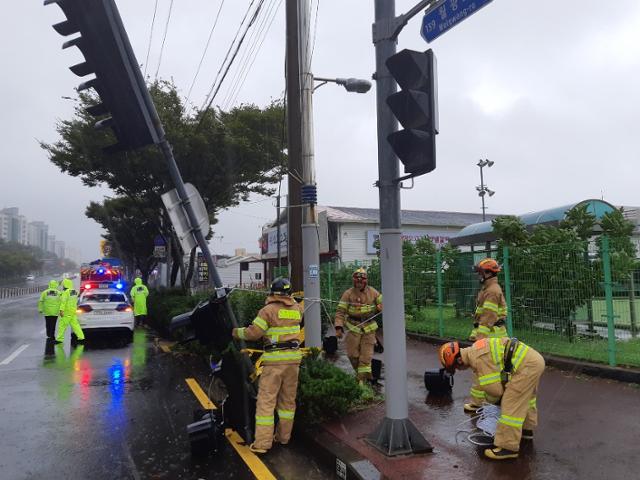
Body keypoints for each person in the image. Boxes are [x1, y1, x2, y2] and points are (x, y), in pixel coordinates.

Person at [439, 338, 545, 460]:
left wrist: (490, 403)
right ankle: (526, 430)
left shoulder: (478, 360)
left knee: (511, 404)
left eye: (455, 367)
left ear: (459, 360)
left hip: (526, 367)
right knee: (526, 399)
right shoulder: (476, 349)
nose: (458, 370)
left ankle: (508, 448)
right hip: (532, 361)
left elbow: (495, 391)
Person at [232, 277, 303, 454]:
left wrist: (236, 332)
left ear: (272, 292)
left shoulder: (267, 311)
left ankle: (262, 443)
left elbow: (253, 333)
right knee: (287, 402)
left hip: (275, 362)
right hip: (293, 360)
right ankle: (283, 437)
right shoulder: (296, 310)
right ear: (288, 293)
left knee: (266, 402)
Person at [465, 258, 508, 412]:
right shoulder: (489, 288)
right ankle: (494, 401)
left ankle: (478, 403)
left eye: (481, 273)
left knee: (481, 368)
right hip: (494, 335)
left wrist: (479, 340)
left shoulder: (491, 291)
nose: (479, 276)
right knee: (495, 369)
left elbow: (488, 317)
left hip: (490, 336)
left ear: (489, 273)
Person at [334, 268, 382, 383]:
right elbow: (340, 311)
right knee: (352, 355)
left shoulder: (373, 292)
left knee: (366, 357)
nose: (359, 282)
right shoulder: (348, 294)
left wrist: (381, 306)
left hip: (369, 329)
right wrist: (338, 327)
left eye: (362, 279)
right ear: (354, 280)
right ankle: (364, 375)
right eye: (357, 279)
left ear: (366, 281)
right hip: (353, 327)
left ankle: (362, 382)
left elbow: (384, 302)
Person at [55, 278, 85, 344]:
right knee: (75, 325)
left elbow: (63, 302)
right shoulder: (74, 291)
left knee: (62, 325)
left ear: (65, 285)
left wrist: (61, 310)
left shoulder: (66, 293)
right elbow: (79, 296)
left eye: (63, 285)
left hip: (66, 311)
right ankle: (81, 337)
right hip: (73, 311)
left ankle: (59, 339)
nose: (63, 286)